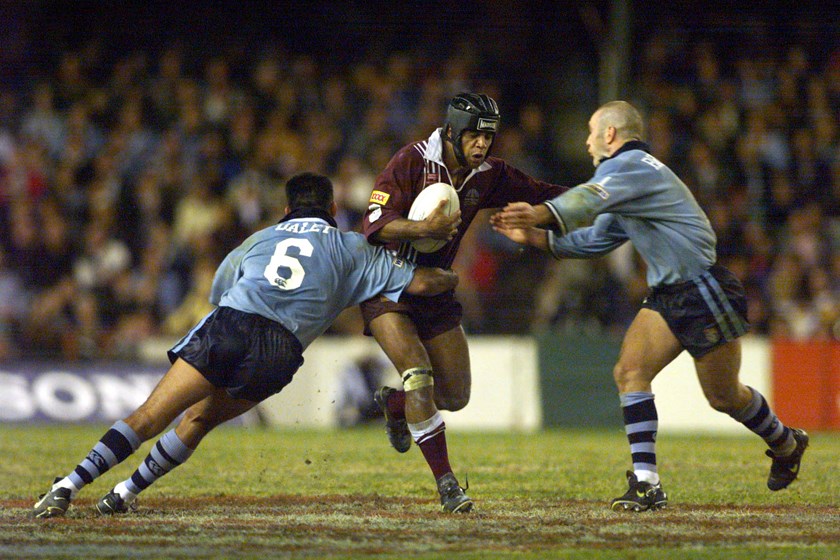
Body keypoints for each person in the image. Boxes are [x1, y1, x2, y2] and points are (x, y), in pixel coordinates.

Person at [32, 172, 459, 519]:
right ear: (332, 210)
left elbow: (220, 294)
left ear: (285, 210)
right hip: (279, 350)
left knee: (148, 416)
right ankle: (123, 494)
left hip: (232, 324)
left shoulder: (256, 240)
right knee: (198, 421)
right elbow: (423, 283)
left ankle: (68, 487)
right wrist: (445, 262)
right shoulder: (352, 246)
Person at [490, 100, 809, 511]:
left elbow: (586, 200)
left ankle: (786, 442)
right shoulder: (630, 180)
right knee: (629, 371)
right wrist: (534, 237)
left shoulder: (630, 167)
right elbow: (594, 241)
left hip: (702, 288)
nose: (587, 142)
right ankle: (647, 482)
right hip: (669, 294)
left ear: (609, 134)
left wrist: (539, 213)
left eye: (590, 132)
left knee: (724, 396)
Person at [361, 92, 567, 512]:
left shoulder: (489, 174)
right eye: (473, 136)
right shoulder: (410, 161)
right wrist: (424, 227)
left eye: (487, 139)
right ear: (451, 132)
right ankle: (448, 485)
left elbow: (542, 192)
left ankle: (395, 404)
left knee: (455, 395)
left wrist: (602, 198)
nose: (481, 146)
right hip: (387, 287)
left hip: (435, 292)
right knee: (418, 373)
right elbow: (375, 226)